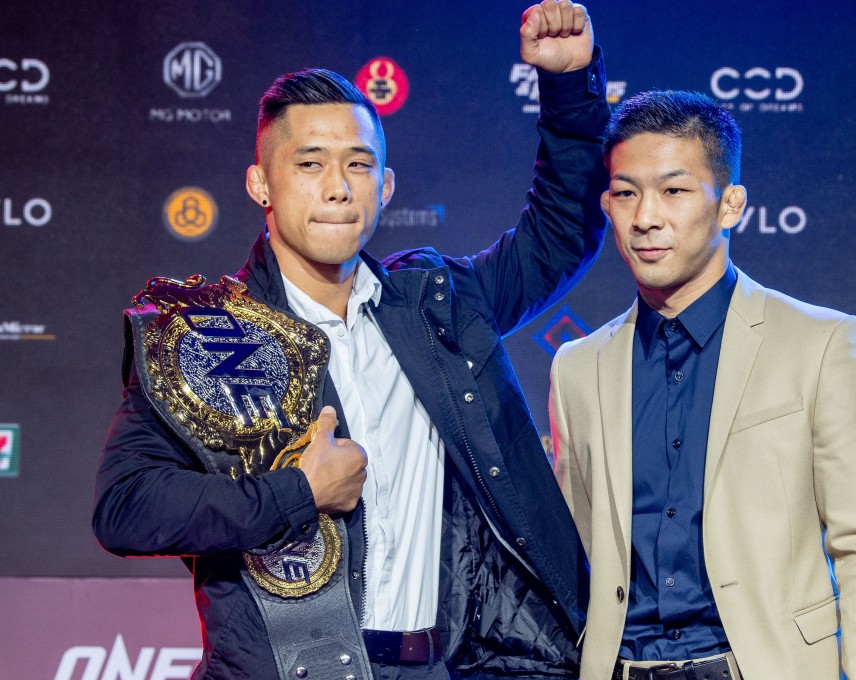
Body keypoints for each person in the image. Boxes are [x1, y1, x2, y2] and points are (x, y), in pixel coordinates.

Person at [93, 2, 609, 678]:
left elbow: (563, 229)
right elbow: (125, 507)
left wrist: (569, 90)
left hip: (442, 665)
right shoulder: (204, 336)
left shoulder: (439, 306)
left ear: (386, 186)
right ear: (261, 184)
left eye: (359, 165)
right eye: (310, 163)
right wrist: (296, 493)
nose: (338, 188)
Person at [549, 90, 856, 680]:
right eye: (626, 193)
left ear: (730, 204)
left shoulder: (821, 343)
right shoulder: (577, 368)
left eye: (674, 190)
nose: (645, 218)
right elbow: (576, 560)